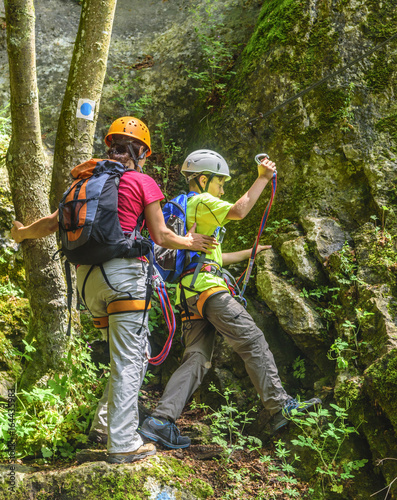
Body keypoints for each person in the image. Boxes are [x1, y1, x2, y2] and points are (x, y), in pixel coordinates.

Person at [10, 119, 218, 464]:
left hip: (86, 281)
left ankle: (103, 427)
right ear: (142, 153)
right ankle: (123, 443)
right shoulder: (141, 181)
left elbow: (50, 224)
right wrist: (190, 242)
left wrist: (20, 235)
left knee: (124, 357)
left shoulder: (84, 184)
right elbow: (161, 235)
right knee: (131, 359)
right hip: (122, 277)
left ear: (111, 149)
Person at [139, 149, 321, 449]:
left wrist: (252, 252)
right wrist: (262, 178)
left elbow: (216, 257)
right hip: (209, 290)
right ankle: (279, 405)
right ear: (202, 179)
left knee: (196, 359)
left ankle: (161, 420)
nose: (222, 189)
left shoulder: (193, 211)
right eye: (219, 182)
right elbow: (240, 209)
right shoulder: (201, 201)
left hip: (189, 295)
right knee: (252, 339)